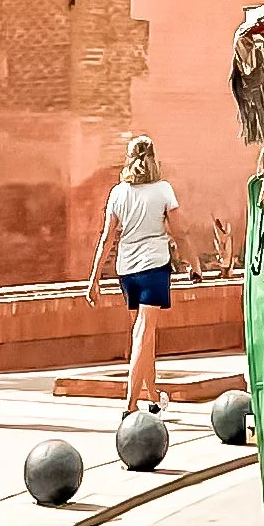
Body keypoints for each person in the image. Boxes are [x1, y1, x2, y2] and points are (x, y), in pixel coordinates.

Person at [90, 134, 182, 412]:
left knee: (144, 332)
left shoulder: (118, 192)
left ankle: (153, 395)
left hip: (126, 270)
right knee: (144, 331)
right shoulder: (164, 189)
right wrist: (193, 264)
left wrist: (94, 278)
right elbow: (179, 230)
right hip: (154, 266)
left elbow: (107, 238)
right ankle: (130, 405)